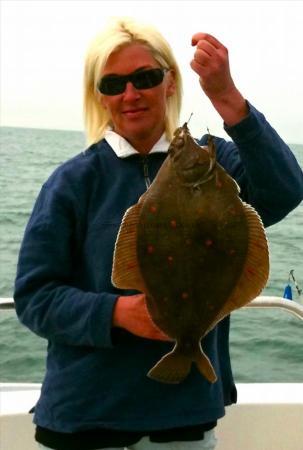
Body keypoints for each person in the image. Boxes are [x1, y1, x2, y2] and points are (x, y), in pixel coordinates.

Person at [14, 17, 303, 450]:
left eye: (145, 78)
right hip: (83, 420)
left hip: (184, 419)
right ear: (100, 97)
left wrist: (227, 98)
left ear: (170, 82)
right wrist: (117, 314)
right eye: (113, 84)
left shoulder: (215, 163)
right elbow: (35, 297)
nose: (130, 94)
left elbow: (285, 190)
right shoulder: (72, 182)